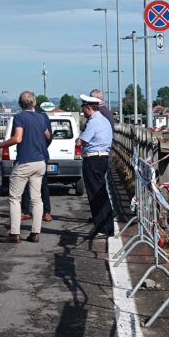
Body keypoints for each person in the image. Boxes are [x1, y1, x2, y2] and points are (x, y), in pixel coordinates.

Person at [0, 91, 51, 243]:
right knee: (37, 199)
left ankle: (15, 233)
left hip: (26, 160)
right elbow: (47, 135)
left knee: (15, 197)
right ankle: (35, 233)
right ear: (34, 103)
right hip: (40, 162)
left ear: (20, 104)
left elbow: (18, 138)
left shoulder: (19, 117)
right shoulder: (41, 117)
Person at [78, 94, 114, 238]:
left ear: (88, 108)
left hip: (93, 160)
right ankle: (107, 226)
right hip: (102, 157)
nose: (83, 113)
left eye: (84, 109)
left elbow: (82, 141)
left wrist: (77, 141)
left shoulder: (93, 122)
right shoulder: (103, 120)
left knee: (95, 194)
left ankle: (102, 227)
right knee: (101, 192)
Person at [20, 104, 53, 222]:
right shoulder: (38, 116)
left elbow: (49, 137)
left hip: (34, 155)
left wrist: (40, 147)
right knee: (32, 185)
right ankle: (31, 212)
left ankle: (43, 212)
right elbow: (49, 137)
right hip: (36, 155)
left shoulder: (40, 116)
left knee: (39, 184)